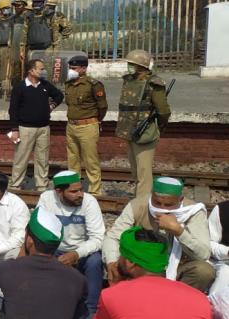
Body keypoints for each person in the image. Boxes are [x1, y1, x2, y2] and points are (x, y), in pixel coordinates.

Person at [103, 176, 214, 293]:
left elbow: (203, 254)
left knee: (204, 271)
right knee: (121, 264)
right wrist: (111, 261)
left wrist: (178, 231)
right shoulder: (138, 205)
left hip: (178, 267)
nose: (161, 209)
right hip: (145, 266)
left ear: (180, 200)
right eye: (157, 203)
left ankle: (175, 302)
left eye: (168, 205)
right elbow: (113, 237)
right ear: (151, 195)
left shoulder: (193, 212)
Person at [37, 171, 106, 314]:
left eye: (81, 189)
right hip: (54, 248)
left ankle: (91, 309)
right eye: (74, 191)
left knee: (95, 262)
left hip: (83, 250)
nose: (80, 194)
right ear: (59, 192)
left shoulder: (89, 202)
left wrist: (76, 254)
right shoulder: (46, 199)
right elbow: (39, 228)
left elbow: (97, 238)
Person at [115, 49, 171, 199]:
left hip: (144, 131)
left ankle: (143, 204)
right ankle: (140, 197)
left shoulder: (154, 83)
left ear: (141, 65)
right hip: (129, 130)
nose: (129, 66)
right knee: (136, 170)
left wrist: (160, 127)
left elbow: (163, 111)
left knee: (144, 172)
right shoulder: (129, 80)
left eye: (131, 64)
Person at [8, 58, 64, 191]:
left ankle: (41, 185)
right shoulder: (20, 87)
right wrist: (14, 129)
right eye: (41, 68)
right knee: (21, 158)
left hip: (44, 128)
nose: (43, 71)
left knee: (42, 159)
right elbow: (13, 110)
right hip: (24, 129)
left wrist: (51, 106)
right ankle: (16, 184)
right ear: (31, 70)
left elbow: (59, 95)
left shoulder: (45, 85)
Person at [64, 55, 108, 195]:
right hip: (71, 126)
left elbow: (102, 107)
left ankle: (95, 191)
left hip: (88, 126)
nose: (71, 70)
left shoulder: (93, 85)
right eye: (70, 68)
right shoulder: (69, 83)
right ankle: (74, 188)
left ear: (83, 68)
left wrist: (96, 121)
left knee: (90, 161)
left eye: (74, 68)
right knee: (73, 160)